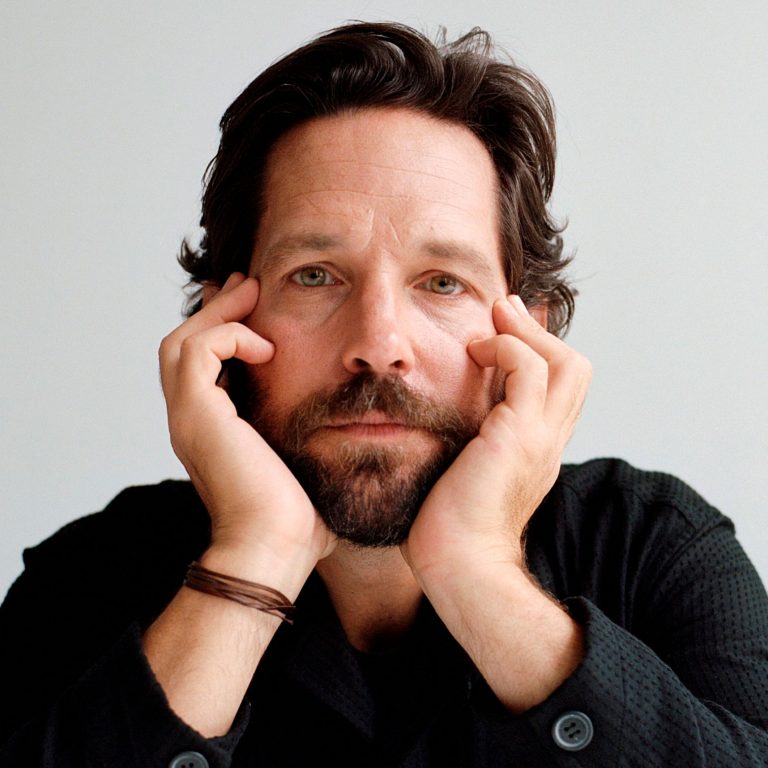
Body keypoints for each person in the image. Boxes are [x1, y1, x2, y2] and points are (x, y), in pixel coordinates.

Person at [1, 21, 766, 768]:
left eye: (442, 282)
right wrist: (252, 561)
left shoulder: (657, 552)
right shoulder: (91, 578)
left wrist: (478, 571)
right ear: (225, 323)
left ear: (530, 336)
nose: (378, 343)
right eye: (315, 276)